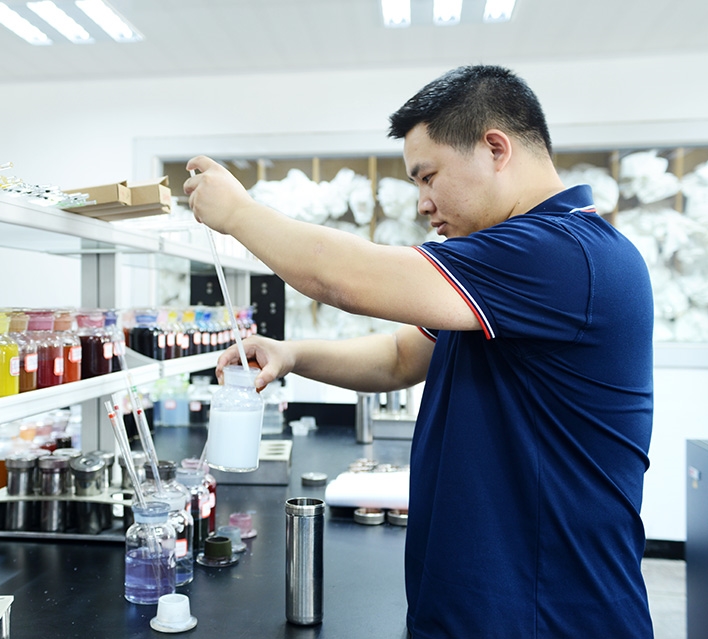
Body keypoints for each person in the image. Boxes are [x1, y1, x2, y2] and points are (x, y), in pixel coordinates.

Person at [183, 65, 654, 638]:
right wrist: (293, 355)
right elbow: (399, 357)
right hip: (480, 607)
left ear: (496, 149)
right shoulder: (510, 264)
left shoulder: (562, 253)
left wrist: (238, 214)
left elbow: (342, 279)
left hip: (545, 615)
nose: (424, 204)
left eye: (428, 177)